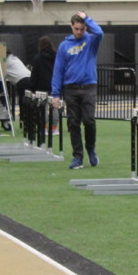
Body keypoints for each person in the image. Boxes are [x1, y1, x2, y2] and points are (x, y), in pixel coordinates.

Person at [52, 12, 103, 169]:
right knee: (73, 123)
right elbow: (58, 70)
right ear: (71, 27)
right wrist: (55, 94)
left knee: (89, 120)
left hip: (88, 87)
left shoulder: (91, 41)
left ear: (86, 28)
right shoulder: (64, 46)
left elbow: (100, 32)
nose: (79, 32)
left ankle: (91, 149)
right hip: (70, 88)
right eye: (76, 29)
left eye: (82, 29)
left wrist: (87, 18)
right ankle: (77, 157)